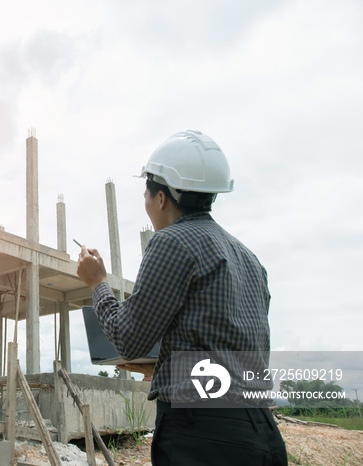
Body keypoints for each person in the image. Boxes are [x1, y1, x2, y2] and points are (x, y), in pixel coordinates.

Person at [77, 130, 288, 465]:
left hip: (203, 435)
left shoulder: (171, 242)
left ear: (161, 198)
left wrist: (98, 283)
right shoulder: (248, 258)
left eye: (146, 194)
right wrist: (162, 367)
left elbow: (128, 339)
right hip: (261, 431)